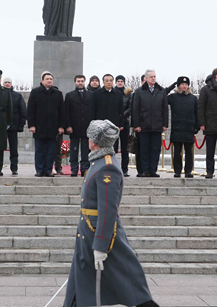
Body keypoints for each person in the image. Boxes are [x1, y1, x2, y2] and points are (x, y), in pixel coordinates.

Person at [63, 120, 159, 307]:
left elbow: (107, 210)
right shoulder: (98, 161)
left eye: (91, 136)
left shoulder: (107, 167)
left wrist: (101, 245)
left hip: (100, 233)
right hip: (88, 232)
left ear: (96, 141)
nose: (88, 139)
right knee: (80, 282)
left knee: (128, 283)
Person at [27, 71, 64, 177]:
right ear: (42, 81)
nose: (49, 81)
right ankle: (39, 170)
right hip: (39, 127)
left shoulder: (58, 93)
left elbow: (62, 111)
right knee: (39, 150)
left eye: (51, 79)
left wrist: (61, 126)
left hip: (53, 127)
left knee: (51, 150)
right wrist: (31, 125)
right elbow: (30, 109)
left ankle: (48, 169)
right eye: (47, 79)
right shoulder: (35, 92)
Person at [132, 70, 168, 178]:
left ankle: (153, 170)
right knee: (144, 150)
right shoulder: (139, 91)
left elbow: (165, 109)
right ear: (146, 78)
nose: (153, 78)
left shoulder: (161, 91)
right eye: (151, 77)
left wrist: (165, 124)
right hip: (143, 126)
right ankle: (145, 170)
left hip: (157, 126)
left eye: (154, 76)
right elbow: (135, 109)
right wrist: (136, 125)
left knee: (155, 150)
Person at [167, 76, 198, 178]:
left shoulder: (193, 98)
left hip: (189, 128)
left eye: (186, 84)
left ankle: (188, 171)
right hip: (177, 128)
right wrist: (171, 86)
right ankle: (177, 170)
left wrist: (196, 126)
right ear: (179, 86)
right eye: (182, 84)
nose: (184, 86)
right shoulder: (173, 97)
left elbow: (197, 113)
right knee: (177, 152)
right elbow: (162, 95)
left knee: (189, 152)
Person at [65, 75, 92, 177]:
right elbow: (66, 112)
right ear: (75, 82)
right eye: (78, 81)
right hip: (74, 127)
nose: (80, 83)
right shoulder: (70, 95)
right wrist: (68, 126)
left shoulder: (91, 95)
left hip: (86, 127)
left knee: (86, 150)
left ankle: (85, 169)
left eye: (82, 81)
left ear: (85, 82)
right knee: (74, 149)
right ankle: (74, 169)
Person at [3, 77, 27, 176]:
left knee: (13, 149)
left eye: (9, 82)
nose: (7, 84)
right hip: (1, 127)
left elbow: (23, 111)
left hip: (13, 127)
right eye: (5, 82)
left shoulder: (17, 96)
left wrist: (20, 125)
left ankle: (14, 168)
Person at [114, 75, 130, 176]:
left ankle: (124, 169)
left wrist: (121, 116)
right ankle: (114, 168)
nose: (120, 83)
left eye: (121, 81)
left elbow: (130, 107)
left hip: (125, 123)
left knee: (125, 148)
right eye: (118, 81)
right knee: (113, 148)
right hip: (113, 124)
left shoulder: (128, 94)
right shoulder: (113, 93)